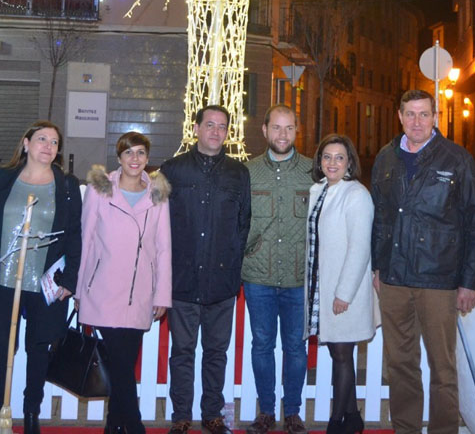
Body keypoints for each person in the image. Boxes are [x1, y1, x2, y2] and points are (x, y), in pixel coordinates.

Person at [371, 89, 475, 434]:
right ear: (399, 116)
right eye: (410, 114)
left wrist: (469, 281)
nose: (416, 122)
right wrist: (379, 267)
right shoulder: (386, 158)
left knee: (442, 368)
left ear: (436, 117)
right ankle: (405, 429)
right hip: (394, 279)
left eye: (424, 114)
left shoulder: (456, 159)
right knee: (401, 365)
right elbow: (380, 217)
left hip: (439, 279)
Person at [0, 121, 82, 434]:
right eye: (41, 139)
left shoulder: (66, 186)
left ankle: (31, 414)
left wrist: (71, 281)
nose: (48, 146)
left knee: (39, 350)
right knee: (1, 350)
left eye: (54, 142)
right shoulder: (3, 180)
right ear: (26, 144)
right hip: (5, 281)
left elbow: (76, 234)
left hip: (45, 283)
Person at [162, 105, 251, 434]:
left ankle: (212, 413)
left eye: (222, 126)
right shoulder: (173, 171)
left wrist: (233, 266)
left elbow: (244, 225)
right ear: (196, 128)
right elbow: (160, 225)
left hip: (221, 281)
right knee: (182, 352)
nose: (216, 131)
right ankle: (181, 416)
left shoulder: (238, 173)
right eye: (209, 125)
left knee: (217, 352)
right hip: (182, 278)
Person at [76, 132, 171, 434]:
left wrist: (162, 295)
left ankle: (114, 426)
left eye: (140, 153)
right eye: (128, 153)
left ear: (147, 158)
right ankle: (135, 425)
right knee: (120, 364)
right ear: (118, 158)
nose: (135, 159)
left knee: (123, 366)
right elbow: (86, 240)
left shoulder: (157, 193)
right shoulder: (100, 189)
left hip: (140, 292)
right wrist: (79, 290)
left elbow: (164, 246)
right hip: (103, 291)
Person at [243, 105, 312, 434]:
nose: (282, 134)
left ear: (297, 130)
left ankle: (294, 412)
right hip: (258, 276)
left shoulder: (313, 172)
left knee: (297, 348)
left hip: (299, 277)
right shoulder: (248, 172)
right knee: (261, 345)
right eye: (276, 128)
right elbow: (237, 221)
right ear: (265, 131)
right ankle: (267, 411)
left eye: (289, 128)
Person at [306, 134, 377, 434]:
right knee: (338, 352)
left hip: (346, 289)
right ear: (319, 161)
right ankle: (353, 417)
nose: (332, 163)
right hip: (322, 286)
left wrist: (344, 293)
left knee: (343, 354)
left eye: (339, 157)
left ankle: (337, 421)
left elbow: (360, 248)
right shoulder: (318, 190)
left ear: (350, 162)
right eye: (327, 157)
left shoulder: (357, 194)